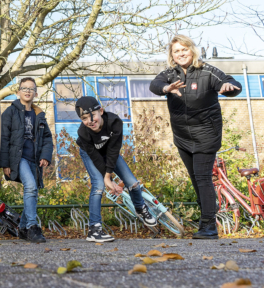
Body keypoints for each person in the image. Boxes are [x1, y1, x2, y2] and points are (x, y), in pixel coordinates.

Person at [149, 35, 241, 239]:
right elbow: (154, 85)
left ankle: (209, 225)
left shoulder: (207, 71)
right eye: (176, 51)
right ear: (172, 55)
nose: (181, 54)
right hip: (182, 135)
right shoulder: (169, 74)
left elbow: (232, 83)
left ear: (192, 50)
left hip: (206, 133)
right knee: (195, 180)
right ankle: (208, 217)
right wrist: (167, 88)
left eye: (184, 49)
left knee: (202, 177)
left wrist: (229, 88)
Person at [75, 96, 158, 242]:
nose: (90, 121)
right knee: (98, 185)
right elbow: (95, 158)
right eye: (84, 118)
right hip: (90, 154)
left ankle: (140, 208)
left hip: (110, 152)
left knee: (132, 182)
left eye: (92, 115)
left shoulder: (114, 122)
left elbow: (113, 151)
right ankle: (94, 230)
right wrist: (108, 179)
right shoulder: (83, 132)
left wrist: (109, 175)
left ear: (100, 111)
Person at [0, 77, 53, 244]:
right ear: (18, 92)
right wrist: (5, 163)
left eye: (31, 89)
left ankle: (22, 229)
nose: (28, 91)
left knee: (33, 189)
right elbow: (3, 138)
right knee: (30, 186)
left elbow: (47, 138)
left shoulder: (39, 114)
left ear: (35, 93)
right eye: (24, 88)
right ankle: (31, 226)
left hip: (33, 159)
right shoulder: (10, 112)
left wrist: (45, 156)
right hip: (18, 157)